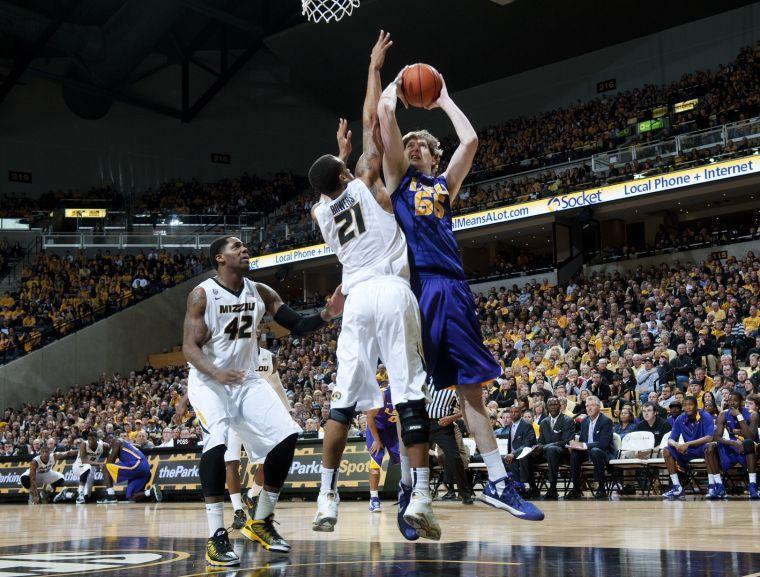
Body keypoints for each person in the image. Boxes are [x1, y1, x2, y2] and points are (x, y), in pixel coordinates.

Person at [377, 63, 544, 523]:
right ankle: (411, 491)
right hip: (420, 287)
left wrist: (444, 98)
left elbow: (470, 142)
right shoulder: (399, 182)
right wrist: (393, 85)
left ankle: (495, 481)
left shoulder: (444, 185)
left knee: (471, 390)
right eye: (407, 145)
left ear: (433, 155)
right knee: (410, 392)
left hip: (453, 288)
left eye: (420, 146)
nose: (411, 148)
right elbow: (384, 118)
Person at [309, 32, 440, 540]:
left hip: (354, 299)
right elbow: (371, 121)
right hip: (388, 289)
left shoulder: (322, 212)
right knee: (408, 396)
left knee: (343, 402)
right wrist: (373, 68)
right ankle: (421, 497)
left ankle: (326, 496)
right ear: (348, 170)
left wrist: (336, 156)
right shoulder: (368, 182)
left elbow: (326, 182)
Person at [183, 236, 340, 565]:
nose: (243, 249)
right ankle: (216, 535)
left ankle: (261, 519)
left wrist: (327, 314)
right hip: (209, 382)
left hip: (246, 378)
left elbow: (297, 324)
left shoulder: (261, 292)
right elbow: (189, 348)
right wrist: (215, 371)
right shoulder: (202, 295)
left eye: (244, 246)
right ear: (219, 259)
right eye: (235, 247)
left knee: (288, 435)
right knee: (216, 443)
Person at [704, 391, 759, 500]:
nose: (732, 403)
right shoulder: (723, 414)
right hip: (733, 445)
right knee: (709, 447)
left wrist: (739, 416)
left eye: (735, 400)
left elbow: (750, 437)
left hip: (750, 449)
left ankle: (752, 485)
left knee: (747, 443)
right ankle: (719, 485)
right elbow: (716, 437)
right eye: (730, 400)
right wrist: (732, 442)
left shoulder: (753, 414)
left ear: (742, 402)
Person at [662, 396, 715, 500]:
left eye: (690, 405)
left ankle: (712, 485)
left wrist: (688, 443)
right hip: (688, 450)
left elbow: (709, 437)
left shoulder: (706, 416)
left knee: (709, 447)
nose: (688, 407)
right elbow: (670, 439)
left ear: (696, 406)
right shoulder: (680, 418)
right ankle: (677, 487)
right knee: (667, 450)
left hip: (702, 448)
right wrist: (677, 445)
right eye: (685, 405)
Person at [428, 386, 472, 504]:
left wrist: (451, 418)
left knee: (455, 458)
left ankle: (465, 493)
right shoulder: (427, 381)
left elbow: (466, 408)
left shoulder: (455, 387)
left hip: (443, 425)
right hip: (425, 424)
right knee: (421, 459)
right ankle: (421, 492)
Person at [566, 396, 615, 500]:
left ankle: (601, 487)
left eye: (592, 405)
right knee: (574, 454)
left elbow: (603, 444)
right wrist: (575, 445)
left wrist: (585, 445)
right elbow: (583, 440)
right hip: (587, 452)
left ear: (598, 407)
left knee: (595, 451)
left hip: (603, 452)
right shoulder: (584, 421)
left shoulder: (606, 421)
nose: (589, 408)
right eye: (587, 406)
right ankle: (576, 488)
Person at [365, 383, 400, 512]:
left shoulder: (406, 393)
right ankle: (373, 499)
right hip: (376, 428)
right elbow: (369, 416)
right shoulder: (383, 393)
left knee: (404, 458)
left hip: (393, 429)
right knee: (375, 462)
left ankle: (408, 494)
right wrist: (376, 440)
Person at [532, 397, 575, 499]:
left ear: (560, 406)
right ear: (547, 407)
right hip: (546, 453)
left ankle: (552, 487)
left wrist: (545, 446)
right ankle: (532, 488)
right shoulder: (544, 422)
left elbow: (566, 441)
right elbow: (541, 441)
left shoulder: (568, 420)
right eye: (550, 405)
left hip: (562, 453)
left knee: (552, 450)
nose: (553, 407)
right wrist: (537, 447)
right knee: (528, 455)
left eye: (555, 405)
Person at [98, 436, 161, 504]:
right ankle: (151, 492)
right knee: (130, 496)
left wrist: (108, 452)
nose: (109, 441)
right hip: (143, 469)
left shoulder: (117, 441)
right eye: (107, 440)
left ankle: (111, 497)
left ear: (114, 437)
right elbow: (138, 446)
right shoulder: (124, 443)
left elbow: (110, 462)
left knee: (105, 467)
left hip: (137, 464)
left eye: (110, 438)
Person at [72, 431, 109, 504]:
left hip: (91, 469)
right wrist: (99, 464)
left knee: (87, 496)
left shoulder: (103, 446)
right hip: (78, 466)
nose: (90, 441)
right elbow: (84, 460)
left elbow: (110, 453)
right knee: (88, 466)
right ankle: (80, 493)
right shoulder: (84, 444)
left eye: (93, 439)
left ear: (97, 439)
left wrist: (107, 463)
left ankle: (68, 495)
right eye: (89, 439)